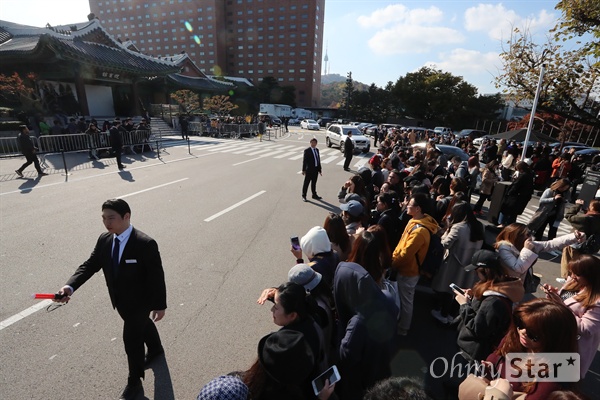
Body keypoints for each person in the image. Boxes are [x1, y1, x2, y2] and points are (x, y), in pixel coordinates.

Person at [54, 199, 167, 400]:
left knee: (131, 339)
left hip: (140, 301)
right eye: (104, 218)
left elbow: (156, 276)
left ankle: (134, 382)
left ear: (126, 216)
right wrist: (69, 286)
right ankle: (156, 349)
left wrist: (159, 305)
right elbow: (90, 265)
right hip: (119, 300)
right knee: (141, 325)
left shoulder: (144, 243)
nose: (107, 223)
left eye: (111, 218)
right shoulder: (105, 240)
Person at [459, 298, 579, 400]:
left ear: (555, 339)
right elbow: (497, 355)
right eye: (520, 323)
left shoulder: (555, 377)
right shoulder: (515, 338)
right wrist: (489, 369)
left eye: (533, 333)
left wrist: (500, 390)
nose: (523, 332)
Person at [454, 250, 524, 362]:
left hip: (472, 352)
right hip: (473, 348)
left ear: (486, 271)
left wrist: (464, 305)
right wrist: (471, 297)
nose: (476, 275)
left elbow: (478, 329)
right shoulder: (501, 285)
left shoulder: (493, 302)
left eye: (477, 271)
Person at [542, 254, 600, 379]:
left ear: (591, 276)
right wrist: (554, 293)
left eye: (577, 274)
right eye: (572, 272)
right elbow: (567, 298)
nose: (572, 276)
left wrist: (561, 305)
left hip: (569, 346)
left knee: (554, 380)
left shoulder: (597, 300)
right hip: (554, 336)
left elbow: (587, 329)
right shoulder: (574, 282)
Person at [392, 192, 440, 335]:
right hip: (406, 268)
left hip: (408, 270)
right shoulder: (415, 221)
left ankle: (403, 328)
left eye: (410, 204)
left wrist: (393, 262)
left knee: (406, 300)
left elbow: (406, 254)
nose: (406, 205)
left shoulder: (420, 231)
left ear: (418, 208)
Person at [431, 202, 484, 324]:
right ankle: (452, 315)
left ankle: (443, 314)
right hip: (470, 264)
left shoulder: (458, 227)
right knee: (462, 290)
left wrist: (446, 231)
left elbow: (446, 243)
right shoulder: (479, 226)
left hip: (454, 263)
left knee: (448, 288)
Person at [494, 223, 581, 281]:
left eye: (530, 233)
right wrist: (527, 250)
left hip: (519, 283)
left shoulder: (528, 244)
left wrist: (574, 237)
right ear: (517, 237)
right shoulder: (504, 248)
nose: (531, 236)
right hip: (505, 283)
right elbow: (518, 268)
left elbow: (550, 244)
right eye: (527, 234)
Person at [560, 199, 600, 279]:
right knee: (580, 265)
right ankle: (575, 280)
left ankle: (568, 279)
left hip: (575, 244)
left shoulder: (586, 219)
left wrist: (577, 205)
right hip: (589, 246)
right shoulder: (596, 219)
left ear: (592, 207)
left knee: (569, 262)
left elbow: (569, 215)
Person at [497, 161, 534, 228]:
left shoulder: (523, 176)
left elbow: (515, 186)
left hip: (515, 197)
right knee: (513, 214)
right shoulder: (530, 175)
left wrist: (509, 192)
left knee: (506, 210)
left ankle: (502, 224)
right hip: (522, 198)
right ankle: (511, 226)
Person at [301, 138, 322, 202]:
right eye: (312, 142)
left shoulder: (317, 150)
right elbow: (304, 161)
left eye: (315, 143)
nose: (313, 144)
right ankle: (304, 195)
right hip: (309, 170)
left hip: (315, 169)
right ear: (310, 143)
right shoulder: (307, 150)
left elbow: (318, 160)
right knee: (306, 183)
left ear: (316, 143)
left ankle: (314, 194)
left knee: (314, 183)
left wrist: (319, 169)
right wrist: (303, 170)